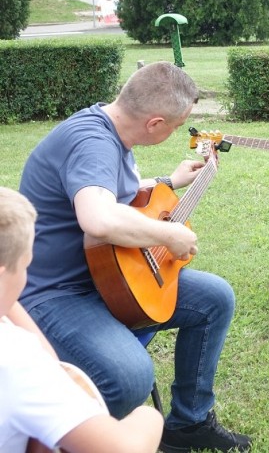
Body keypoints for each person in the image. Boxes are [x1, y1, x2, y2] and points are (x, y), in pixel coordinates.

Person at [17, 62, 251, 452]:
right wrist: (169, 234)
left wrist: (169, 181)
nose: (175, 133)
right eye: (176, 127)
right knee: (128, 377)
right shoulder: (92, 141)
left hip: (107, 278)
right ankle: (57, 440)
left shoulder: (111, 131)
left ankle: (189, 424)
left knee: (215, 298)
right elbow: (98, 217)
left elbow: (110, 190)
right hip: (56, 294)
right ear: (155, 123)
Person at [0, 186, 164, 453]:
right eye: (25, 266)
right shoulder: (16, 360)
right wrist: (149, 417)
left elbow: (49, 364)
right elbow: (125, 448)